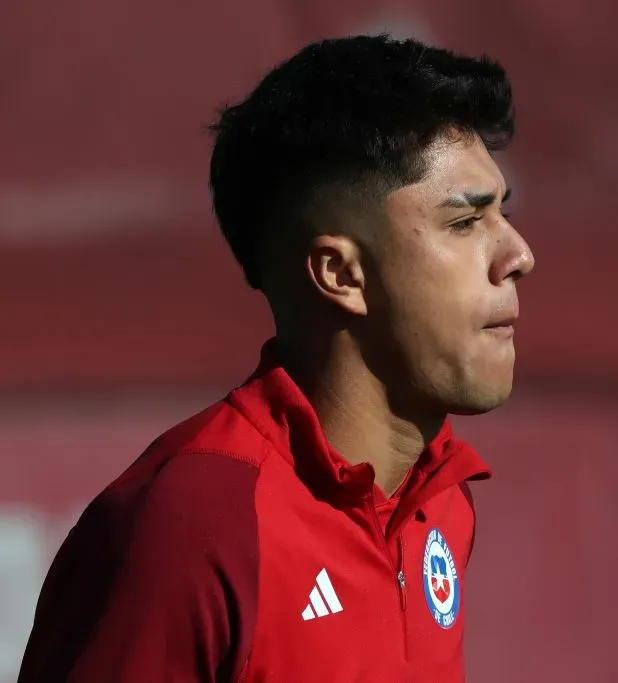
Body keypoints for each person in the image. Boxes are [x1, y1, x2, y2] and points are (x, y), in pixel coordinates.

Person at [18, 34, 534, 683]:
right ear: (341, 274)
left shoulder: (442, 498)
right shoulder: (192, 523)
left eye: (503, 214)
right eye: (465, 222)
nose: (518, 254)